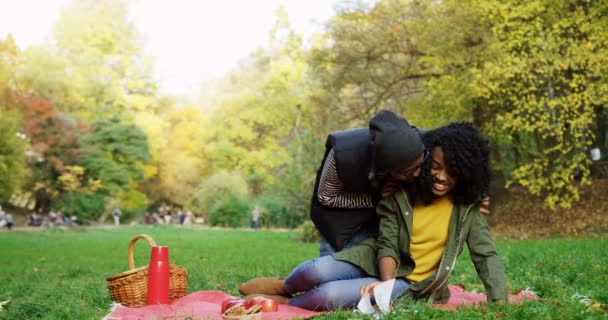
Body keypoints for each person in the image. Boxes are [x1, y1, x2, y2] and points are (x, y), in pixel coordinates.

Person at [239, 122, 507, 311]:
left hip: (412, 283)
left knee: (328, 295)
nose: (441, 176)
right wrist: (384, 283)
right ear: (425, 160)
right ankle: (285, 285)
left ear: (467, 173)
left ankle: (290, 303)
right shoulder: (403, 193)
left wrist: (499, 301)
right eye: (435, 166)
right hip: (377, 261)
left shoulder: (468, 208)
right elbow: (387, 242)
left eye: (453, 171)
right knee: (315, 270)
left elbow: (485, 254)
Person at [311, 109, 427, 256]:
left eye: (420, 165)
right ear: (386, 169)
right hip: (346, 220)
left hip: (388, 222)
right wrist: (375, 198)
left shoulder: (428, 141)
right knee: (329, 270)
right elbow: (327, 196)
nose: (417, 173)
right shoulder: (342, 155)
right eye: (408, 172)